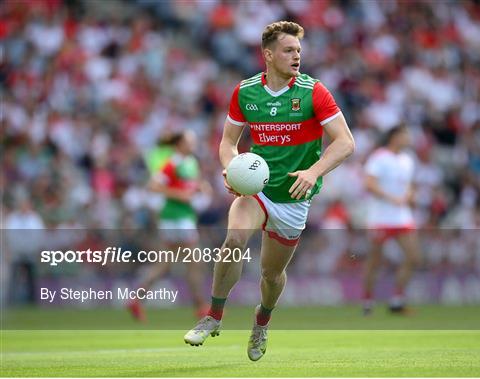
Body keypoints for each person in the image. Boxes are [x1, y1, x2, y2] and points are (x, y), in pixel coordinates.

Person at [183, 20, 355, 361]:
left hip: (293, 198)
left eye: (299, 51)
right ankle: (213, 316)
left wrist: (313, 170)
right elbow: (228, 143)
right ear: (268, 55)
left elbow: (345, 142)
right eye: (289, 50)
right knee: (233, 241)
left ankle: (262, 321)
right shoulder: (245, 91)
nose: (296, 57)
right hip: (256, 190)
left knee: (271, 274)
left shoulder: (313, 91)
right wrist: (231, 169)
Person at [128, 130, 210, 321]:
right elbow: (153, 186)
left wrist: (200, 187)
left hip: (181, 217)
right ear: (179, 144)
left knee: (164, 264)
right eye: (189, 141)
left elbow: (188, 185)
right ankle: (200, 306)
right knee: (195, 262)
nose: (193, 144)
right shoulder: (173, 163)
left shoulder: (190, 163)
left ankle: (136, 299)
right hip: (177, 218)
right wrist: (178, 194)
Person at [361, 125, 421, 315]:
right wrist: (392, 198)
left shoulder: (408, 160)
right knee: (375, 261)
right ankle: (368, 301)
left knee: (413, 257)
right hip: (381, 217)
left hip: (402, 216)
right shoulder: (379, 157)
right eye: (405, 135)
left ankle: (397, 300)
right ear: (394, 137)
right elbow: (369, 184)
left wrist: (410, 195)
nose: (408, 139)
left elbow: (409, 184)